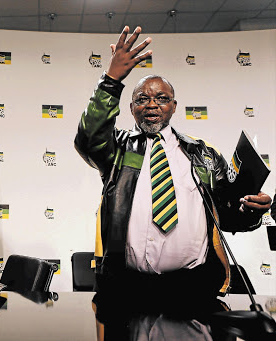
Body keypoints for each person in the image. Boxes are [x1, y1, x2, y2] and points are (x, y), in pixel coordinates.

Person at [74, 26, 272, 302]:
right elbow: (88, 139)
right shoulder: (116, 149)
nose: (152, 105)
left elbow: (229, 217)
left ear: (174, 106)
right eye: (142, 99)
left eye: (162, 99)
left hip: (194, 287)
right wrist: (111, 81)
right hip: (128, 287)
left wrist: (251, 209)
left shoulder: (203, 154)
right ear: (131, 108)